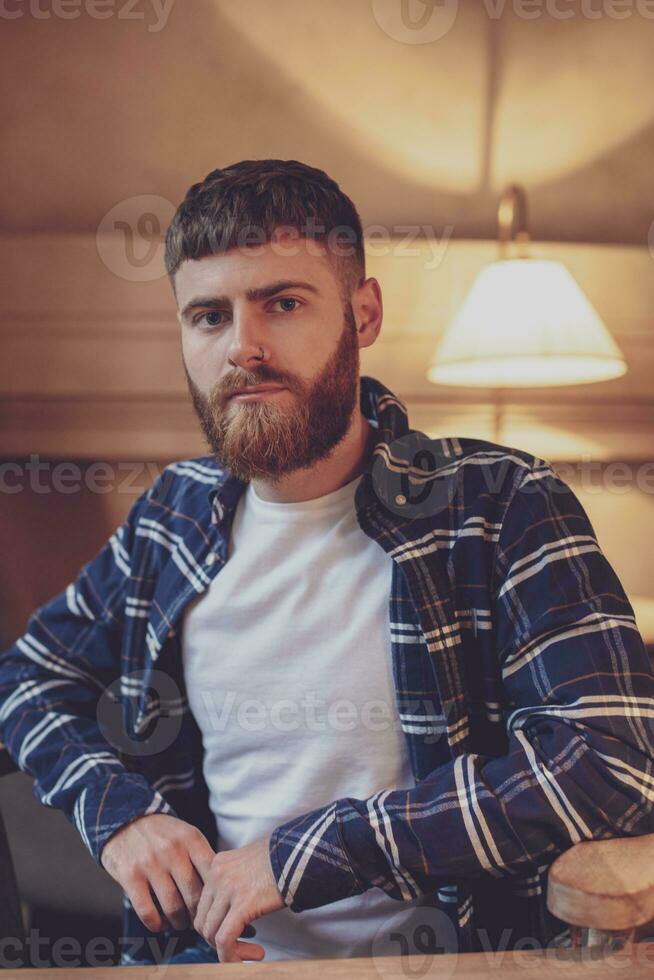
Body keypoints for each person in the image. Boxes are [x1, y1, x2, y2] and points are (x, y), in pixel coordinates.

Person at [1, 159, 653, 968]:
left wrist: (310, 851)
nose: (243, 346)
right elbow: (27, 678)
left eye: (282, 303)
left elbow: (609, 761)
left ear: (363, 312)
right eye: (208, 316)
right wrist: (118, 813)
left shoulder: (500, 503)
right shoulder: (171, 516)